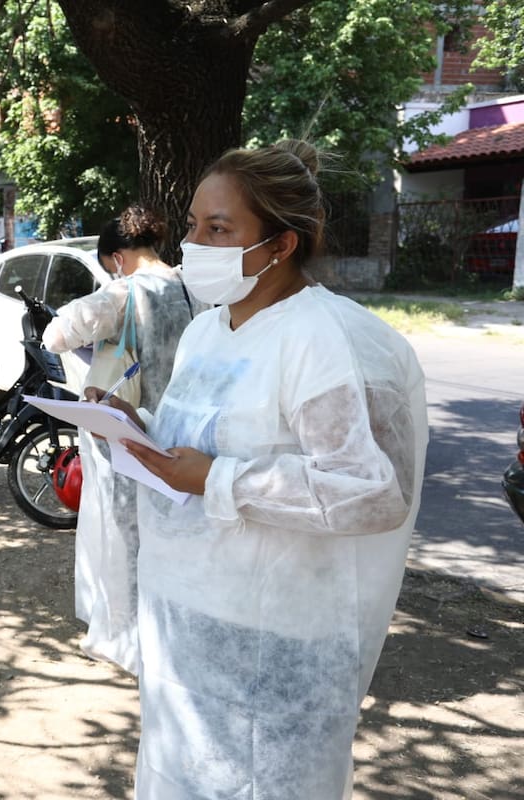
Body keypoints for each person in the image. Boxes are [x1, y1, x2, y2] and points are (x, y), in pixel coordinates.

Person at [102, 140, 428, 798]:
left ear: (281, 245)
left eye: (219, 229)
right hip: (185, 617)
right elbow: (205, 443)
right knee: (180, 776)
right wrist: (137, 429)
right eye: (193, 225)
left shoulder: (323, 340)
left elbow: (371, 494)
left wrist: (219, 480)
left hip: (275, 632)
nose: (195, 244)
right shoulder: (206, 331)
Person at [41, 205, 193, 675]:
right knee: (175, 535)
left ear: (118, 258)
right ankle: (173, 630)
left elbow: (56, 335)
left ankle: (129, 635)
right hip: (183, 431)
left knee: (126, 538)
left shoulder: (124, 292)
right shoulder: (192, 286)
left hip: (129, 432)